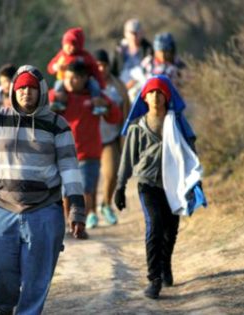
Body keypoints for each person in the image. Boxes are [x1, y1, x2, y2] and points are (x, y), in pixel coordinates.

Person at [0, 65, 86, 315]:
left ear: (41, 91)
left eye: (31, 88)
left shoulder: (57, 125)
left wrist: (76, 209)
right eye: (21, 88)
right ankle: (5, 307)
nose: (26, 93)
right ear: (12, 91)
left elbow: (70, 170)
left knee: (36, 279)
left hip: (44, 212)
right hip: (2, 209)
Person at [114, 76, 205, 299]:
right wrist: (120, 186)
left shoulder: (177, 124)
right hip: (148, 185)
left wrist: (196, 182)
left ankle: (165, 264)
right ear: (144, 97)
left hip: (174, 185)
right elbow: (127, 159)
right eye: (151, 93)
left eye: (160, 93)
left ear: (167, 97)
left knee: (170, 230)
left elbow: (190, 155)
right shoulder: (138, 128)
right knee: (154, 226)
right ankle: (154, 279)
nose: (155, 97)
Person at [49, 61, 122, 232]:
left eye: (74, 78)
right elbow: (44, 101)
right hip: (64, 153)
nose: (69, 82)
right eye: (67, 78)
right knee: (66, 192)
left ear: (84, 79)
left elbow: (115, 117)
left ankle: (80, 222)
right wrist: (54, 99)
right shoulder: (61, 98)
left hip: (89, 154)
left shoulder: (95, 98)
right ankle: (69, 223)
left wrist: (106, 107)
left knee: (86, 191)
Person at [94, 49, 130, 225]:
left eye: (104, 65)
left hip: (111, 138)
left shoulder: (118, 86)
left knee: (111, 174)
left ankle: (106, 205)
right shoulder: (88, 84)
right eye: (98, 65)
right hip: (89, 139)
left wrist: (126, 135)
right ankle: (89, 212)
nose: (101, 69)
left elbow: (127, 110)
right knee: (88, 179)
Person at [47, 27, 106, 114]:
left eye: (73, 45)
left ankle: (97, 106)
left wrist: (101, 83)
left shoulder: (85, 56)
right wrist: (56, 67)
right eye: (67, 45)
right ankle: (58, 103)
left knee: (94, 86)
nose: (69, 48)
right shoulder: (62, 55)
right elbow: (50, 67)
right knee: (58, 85)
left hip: (84, 83)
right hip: (64, 81)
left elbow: (95, 70)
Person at [112, 18, 153, 89]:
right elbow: (114, 71)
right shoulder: (119, 49)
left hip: (140, 84)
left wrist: (131, 84)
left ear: (141, 33)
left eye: (137, 33)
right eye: (132, 33)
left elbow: (148, 72)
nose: (134, 36)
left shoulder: (148, 49)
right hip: (121, 84)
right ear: (125, 33)